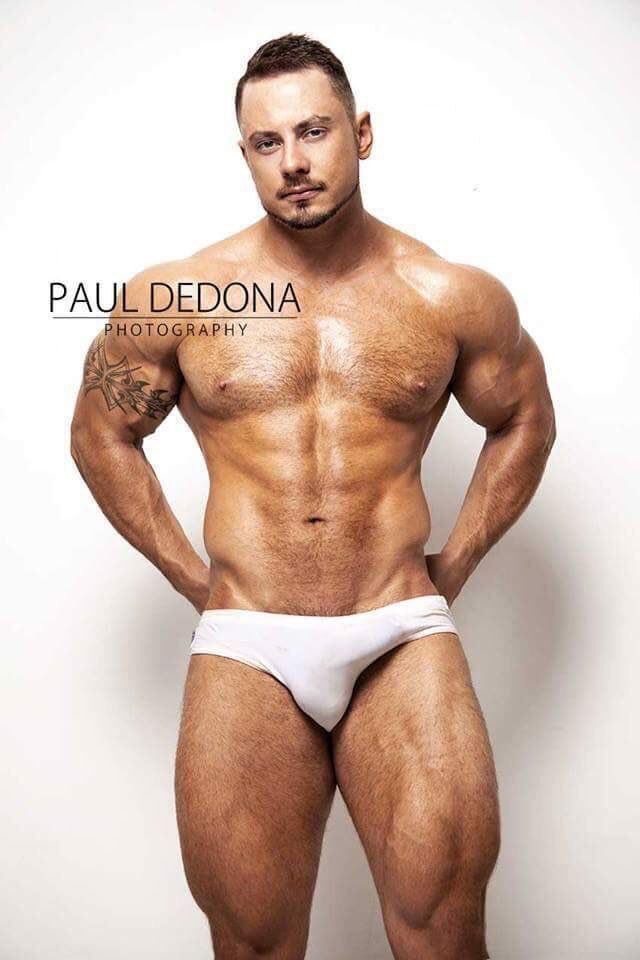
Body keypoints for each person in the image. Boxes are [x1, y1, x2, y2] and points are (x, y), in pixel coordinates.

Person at [70, 32, 556, 960]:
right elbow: (99, 433)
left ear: (360, 134)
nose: (292, 161)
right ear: (245, 154)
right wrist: (194, 578)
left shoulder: (450, 294)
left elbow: (526, 419)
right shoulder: (176, 298)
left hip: (398, 631)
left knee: (444, 934)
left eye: (313, 132)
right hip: (248, 640)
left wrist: (457, 562)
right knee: (253, 942)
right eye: (267, 142)